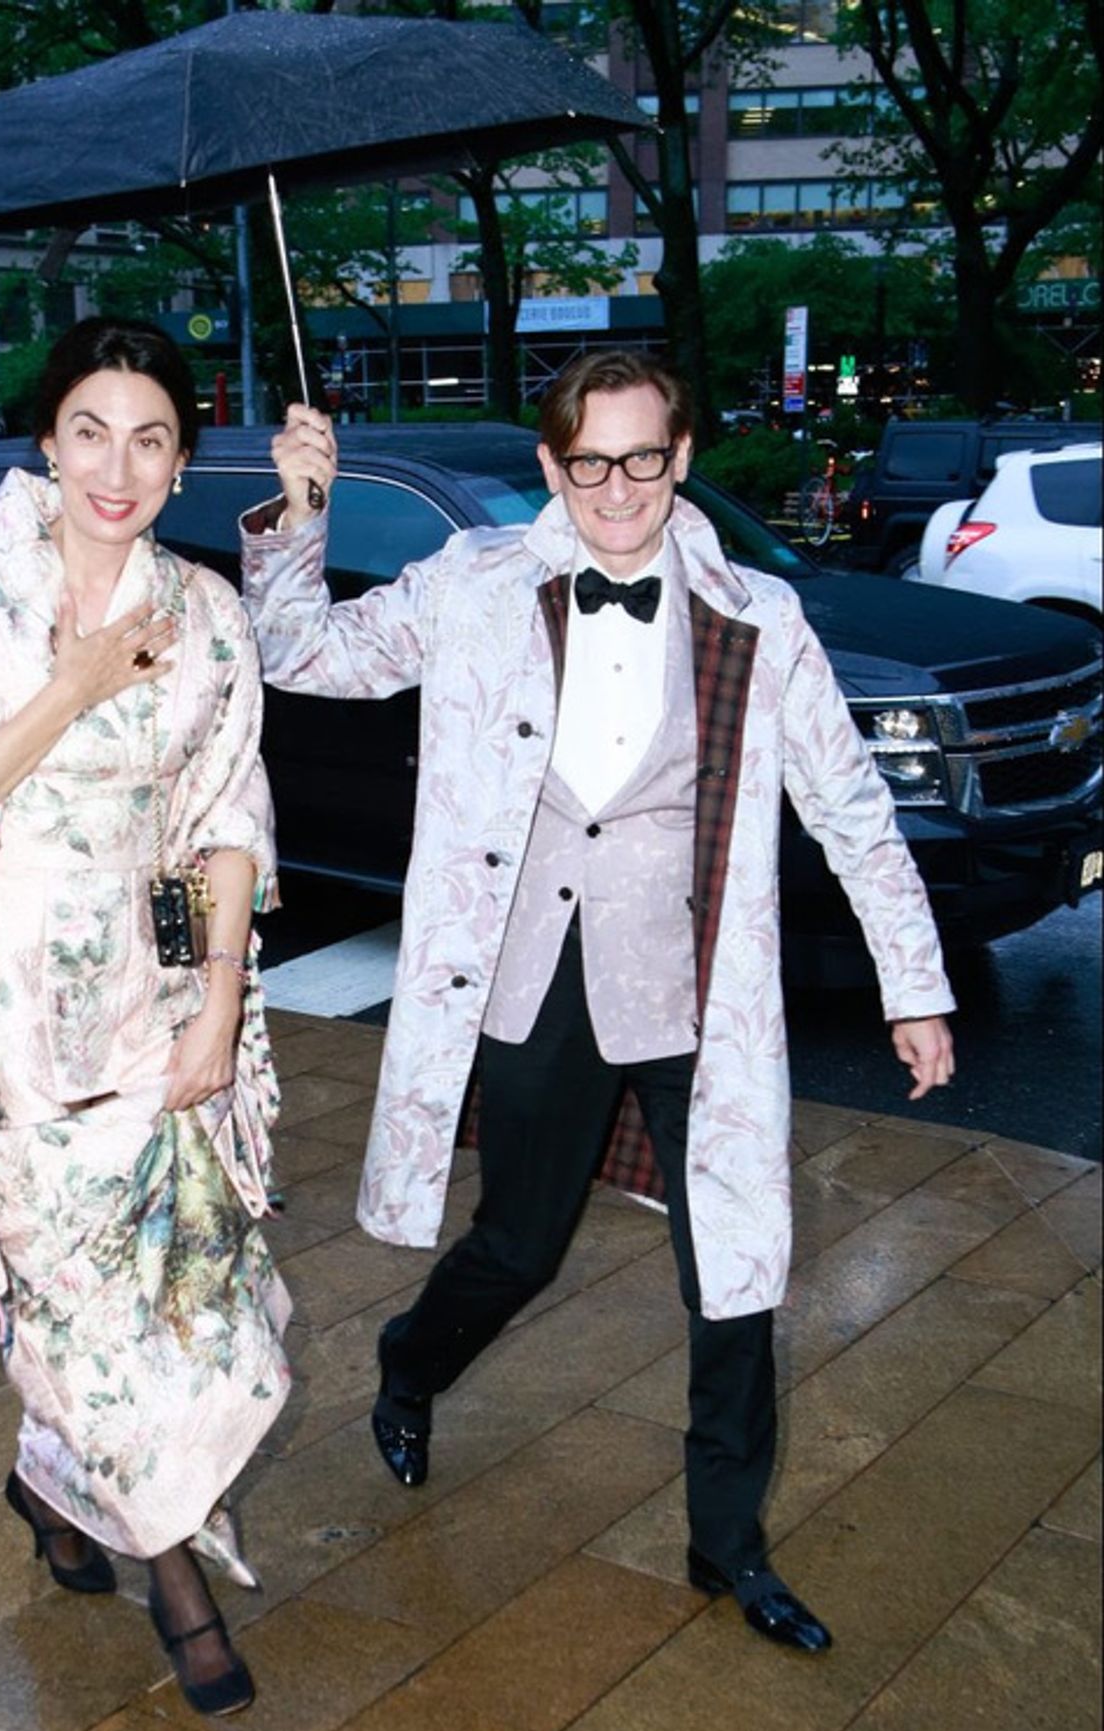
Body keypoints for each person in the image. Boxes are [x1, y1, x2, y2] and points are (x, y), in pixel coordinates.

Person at [240, 349, 955, 1654]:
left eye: (641, 459)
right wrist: (300, 513)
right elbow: (304, 652)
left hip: (695, 987)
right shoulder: (477, 586)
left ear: (682, 457)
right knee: (522, 1241)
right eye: (588, 461)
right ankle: (414, 1358)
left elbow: (851, 810)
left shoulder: (758, 616)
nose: (615, 488)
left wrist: (914, 983)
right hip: (530, 973)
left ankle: (727, 1545)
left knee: (736, 1267)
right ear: (550, 465)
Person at [0, 317, 289, 1718]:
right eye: (91, 428)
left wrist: (216, 1001)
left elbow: (228, 819)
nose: (119, 464)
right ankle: (182, 1587)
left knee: (199, 1312)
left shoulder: (205, 614)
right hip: (4, 1030)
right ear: (47, 438)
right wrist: (76, 683)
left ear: (179, 460)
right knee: (88, 1316)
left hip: (150, 1014)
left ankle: (52, 1486)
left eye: (151, 437)